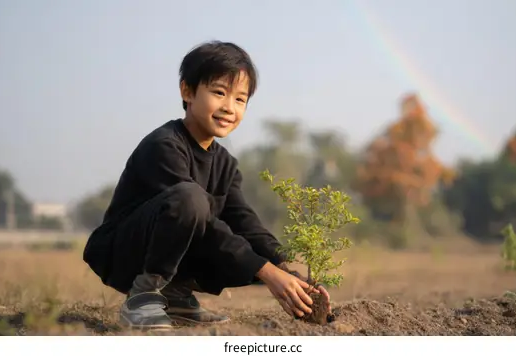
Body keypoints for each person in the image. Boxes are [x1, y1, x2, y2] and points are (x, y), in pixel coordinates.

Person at [82, 40, 330, 330]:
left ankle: (175, 296)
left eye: (240, 99)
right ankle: (144, 296)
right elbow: (201, 219)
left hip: (175, 249)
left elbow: (244, 222)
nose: (229, 107)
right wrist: (268, 274)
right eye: (219, 93)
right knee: (192, 200)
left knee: (244, 245)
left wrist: (287, 268)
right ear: (187, 91)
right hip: (123, 253)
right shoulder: (163, 146)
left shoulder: (225, 163)